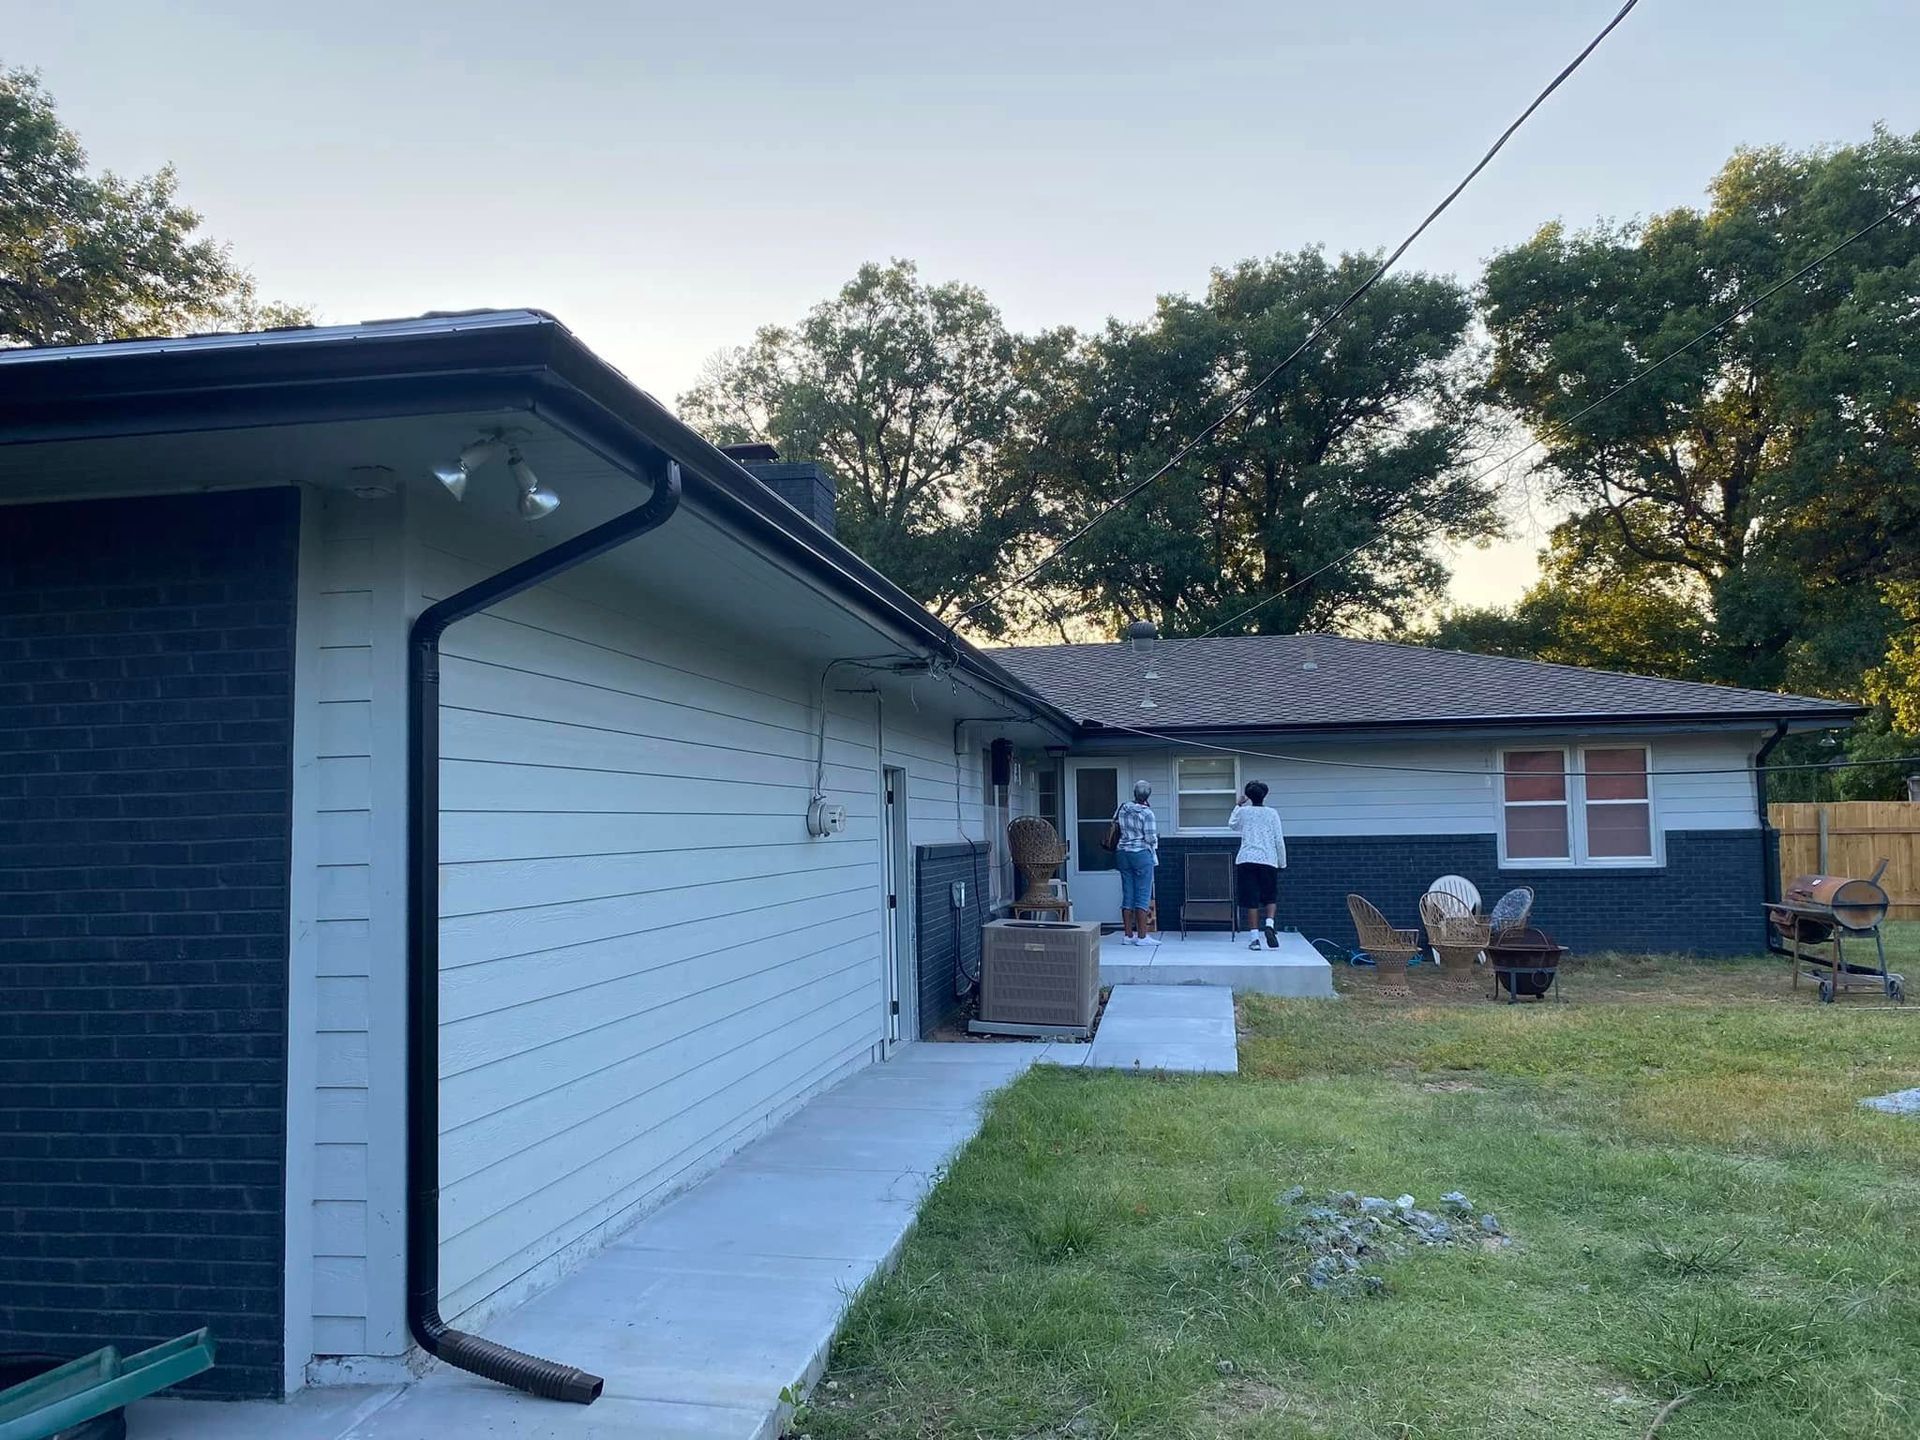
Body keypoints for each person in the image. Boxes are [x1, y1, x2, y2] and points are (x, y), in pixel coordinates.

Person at [1229, 779, 1286, 949]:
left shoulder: (1244, 812)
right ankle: (1269, 925)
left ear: (1249, 796)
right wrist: (1281, 862)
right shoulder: (1272, 813)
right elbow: (1278, 839)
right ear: (1265, 795)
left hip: (1246, 859)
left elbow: (1232, 825)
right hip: (1268, 859)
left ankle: (1254, 939)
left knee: (1251, 900)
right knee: (1270, 896)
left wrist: (1238, 805)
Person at [1113, 779, 1159, 946]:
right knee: (1143, 894)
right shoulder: (1147, 813)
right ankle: (1142, 936)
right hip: (1140, 854)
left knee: (1128, 893)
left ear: (1134, 793)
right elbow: (1150, 838)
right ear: (1148, 795)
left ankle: (1127, 935)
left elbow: (1116, 825)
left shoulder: (1122, 807)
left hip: (1122, 853)